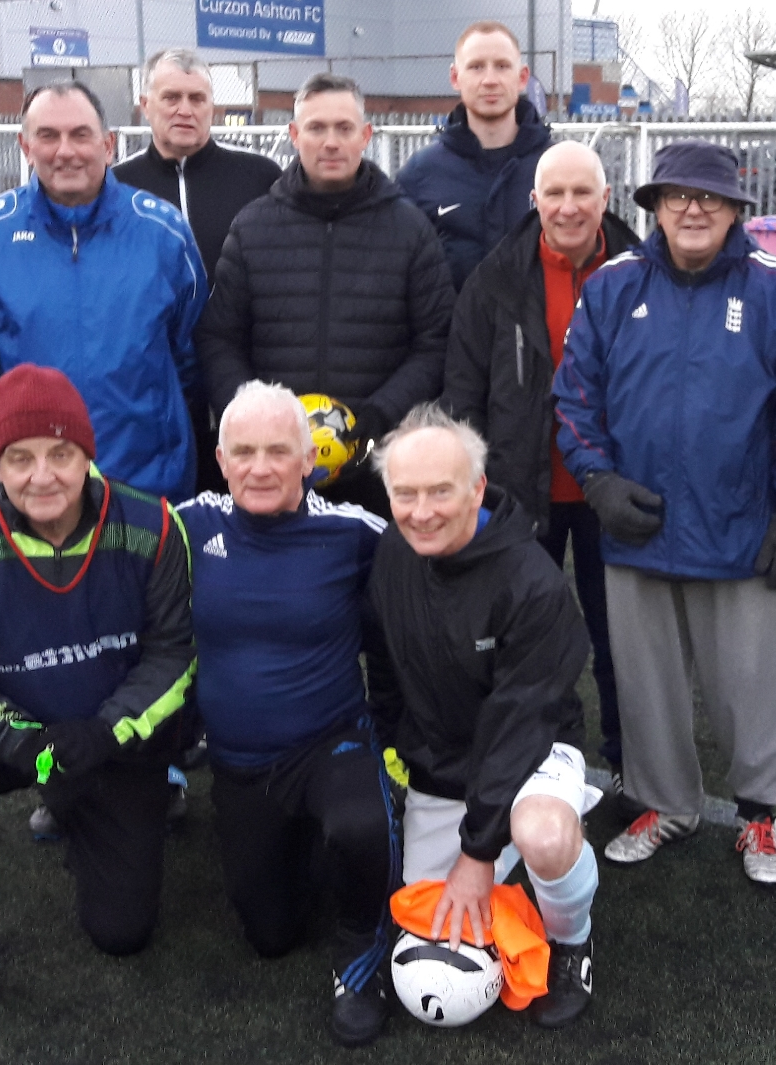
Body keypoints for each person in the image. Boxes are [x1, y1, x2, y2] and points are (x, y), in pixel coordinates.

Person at [0, 364, 196, 1040]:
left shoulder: (155, 528)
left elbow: (176, 654)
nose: (41, 475)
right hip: (20, 748)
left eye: (60, 454)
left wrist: (105, 733)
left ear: (86, 455)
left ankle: (80, 809)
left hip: (100, 746)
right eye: (19, 458)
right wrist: (29, 743)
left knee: (122, 931)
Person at [554, 141, 776, 886]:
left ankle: (760, 816)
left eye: (709, 197)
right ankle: (667, 802)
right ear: (654, 207)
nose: (693, 207)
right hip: (636, 527)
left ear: (737, 208)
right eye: (677, 195)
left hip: (743, 528)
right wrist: (599, 481)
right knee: (648, 683)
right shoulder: (612, 285)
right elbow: (574, 399)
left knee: (754, 684)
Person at [174, 381, 400, 1048]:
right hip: (239, 761)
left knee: (360, 826)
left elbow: (428, 577)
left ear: (311, 459)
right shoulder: (189, 524)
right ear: (220, 457)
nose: (261, 466)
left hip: (330, 742)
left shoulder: (351, 533)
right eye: (244, 451)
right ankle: (301, 851)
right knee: (269, 935)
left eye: (280, 450)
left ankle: (362, 958)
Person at [367, 403, 601, 1029]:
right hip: (444, 764)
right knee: (425, 920)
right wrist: (396, 752)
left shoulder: (532, 582)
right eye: (405, 494)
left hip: (533, 751)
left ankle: (572, 940)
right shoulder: (391, 554)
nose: (422, 511)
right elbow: (386, 667)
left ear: (476, 488)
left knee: (542, 835)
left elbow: (521, 722)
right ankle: (508, 874)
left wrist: (477, 852)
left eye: (440, 491)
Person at [442, 140, 641, 782]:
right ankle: (535, 754)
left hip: (615, 492)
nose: (568, 206)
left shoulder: (642, 269)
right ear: (534, 201)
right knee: (525, 637)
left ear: (606, 199)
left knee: (620, 638)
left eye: (582, 192)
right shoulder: (498, 276)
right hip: (521, 492)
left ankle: (629, 762)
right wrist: (475, 484)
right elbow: (464, 387)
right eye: (553, 193)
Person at [196, 72, 454, 519]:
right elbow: (219, 338)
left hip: (379, 464)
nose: (330, 142)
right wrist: (256, 417)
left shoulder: (410, 230)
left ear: (366, 136)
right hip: (274, 468)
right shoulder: (253, 226)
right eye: (316, 128)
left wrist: (376, 417)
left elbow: (435, 341)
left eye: (344, 128)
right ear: (294, 135)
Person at [0, 79, 206, 504]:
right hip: (34, 487)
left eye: (80, 135)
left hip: (147, 483)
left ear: (108, 145)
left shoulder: (163, 233)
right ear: (25, 146)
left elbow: (188, 351)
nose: (65, 151)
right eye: (48, 136)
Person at [115, 48, 284, 496]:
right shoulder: (116, 187)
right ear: (145, 104)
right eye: (171, 97)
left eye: (198, 98)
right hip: (158, 385)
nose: (185, 110)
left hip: (249, 371)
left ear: (213, 106)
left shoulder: (261, 176)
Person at [396, 21, 554, 291]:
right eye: (476, 66)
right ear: (455, 77)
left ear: (522, 77)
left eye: (502, 66)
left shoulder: (556, 166)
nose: (490, 80)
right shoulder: (420, 173)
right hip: (450, 333)